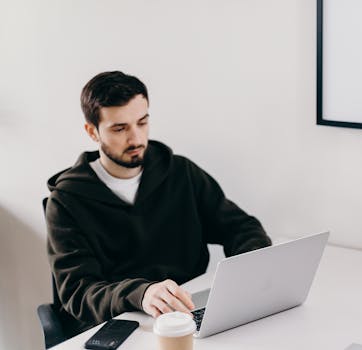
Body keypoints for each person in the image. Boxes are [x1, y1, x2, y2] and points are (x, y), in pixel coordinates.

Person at [45, 71, 272, 336]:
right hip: (119, 324)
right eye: (120, 128)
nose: (136, 139)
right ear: (92, 132)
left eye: (142, 122)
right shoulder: (66, 201)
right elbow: (79, 292)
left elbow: (242, 228)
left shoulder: (180, 173)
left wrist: (247, 273)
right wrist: (142, 294)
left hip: (185, 314)